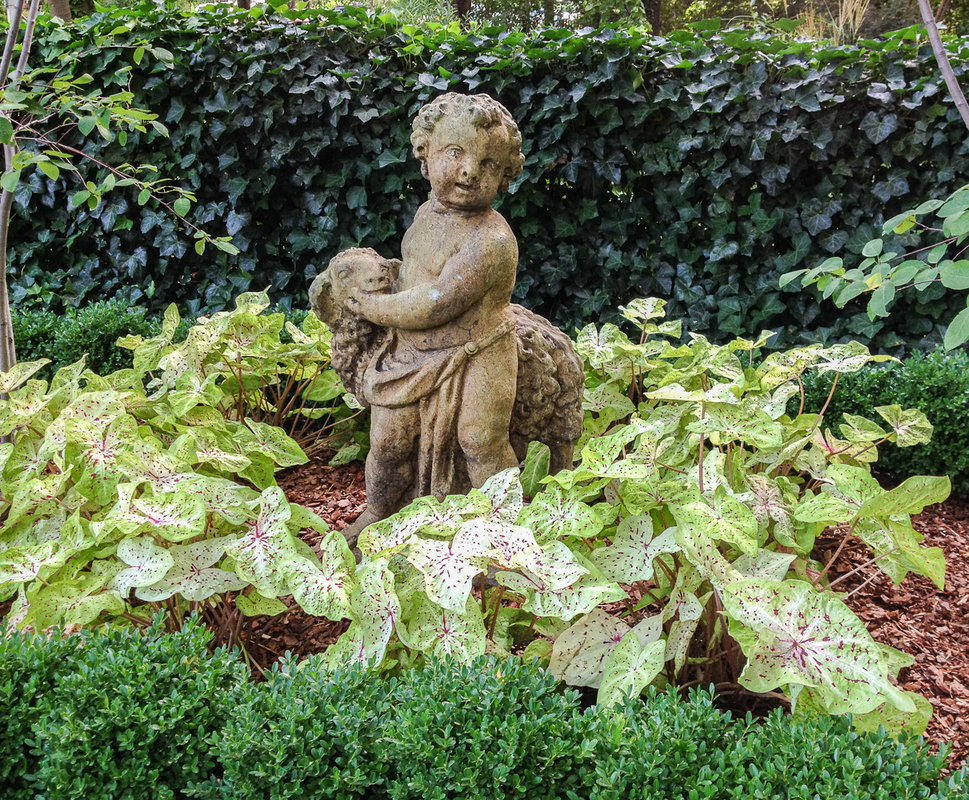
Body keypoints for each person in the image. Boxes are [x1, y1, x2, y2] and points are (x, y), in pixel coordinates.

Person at [342, 93, 526, 536]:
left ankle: (504, 531)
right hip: (411, 353)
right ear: (425, 154)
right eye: (455, 154)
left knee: (480, 440)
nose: (469, 171)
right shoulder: (427, 215)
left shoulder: (491, 240)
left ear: (504, 176)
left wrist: (372, 307)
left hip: (476, 352)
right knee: (386, 443)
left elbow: (435, 302)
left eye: (488, 164)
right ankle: (378, 509)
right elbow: (415, 274)